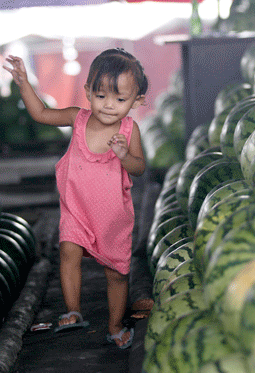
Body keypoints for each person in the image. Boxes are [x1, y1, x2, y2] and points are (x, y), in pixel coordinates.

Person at [3, 48, 149, 349]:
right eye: (100, 96)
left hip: (113, 219)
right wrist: (24, 83)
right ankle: (73, 310)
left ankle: (114, 324)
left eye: (120, 100)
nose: (109, 106)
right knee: (68, 253)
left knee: (116, 275)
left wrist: (123, 155)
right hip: (77, 210)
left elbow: (139, 167)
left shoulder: (128, 130)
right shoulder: (77, 119)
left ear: (136, 101)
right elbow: (40, 114)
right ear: (87, 92)